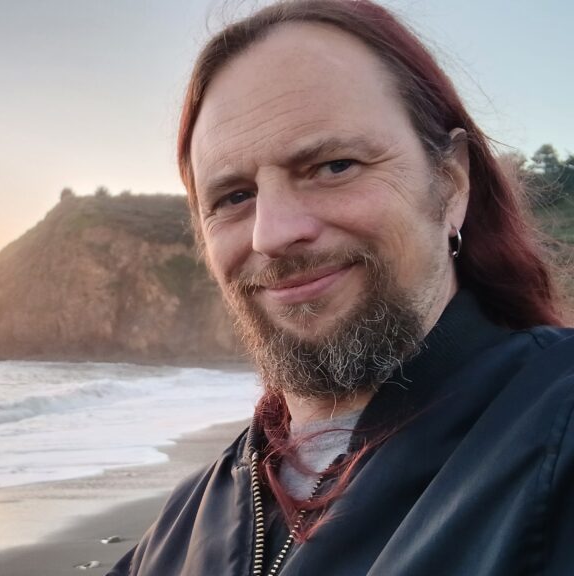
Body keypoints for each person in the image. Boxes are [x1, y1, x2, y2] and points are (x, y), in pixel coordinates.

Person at [108, 1, 574, 575]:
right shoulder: (181, 529)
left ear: (451, 181)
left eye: (334, 166)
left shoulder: (557, 430)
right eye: (234, 197)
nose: (272, 234)